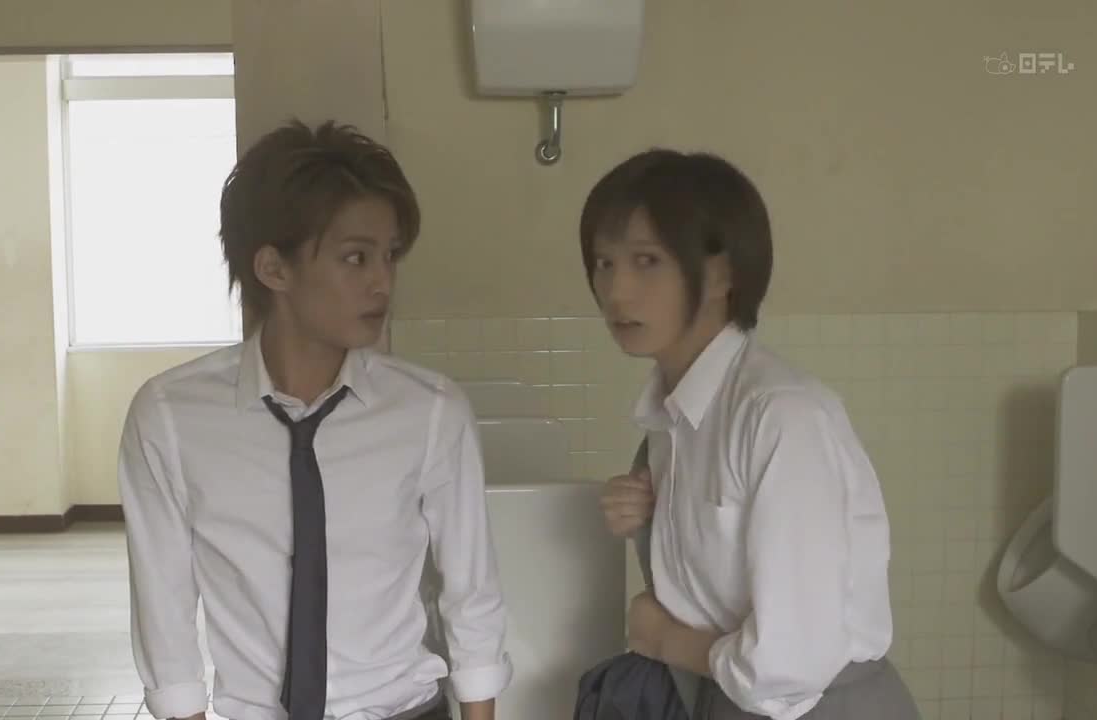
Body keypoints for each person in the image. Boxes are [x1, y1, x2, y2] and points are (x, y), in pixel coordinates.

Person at [117, 120, 512, 720]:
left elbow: (470, 592)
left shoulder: (430, 410)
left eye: (390, 255)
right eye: (356, 257)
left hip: (403, 709)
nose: (382, 281)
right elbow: (163, 609)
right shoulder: (170, 417)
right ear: (274, 269)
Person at [587, 149, 919, 720]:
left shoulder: (781, 416)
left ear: (721, 274)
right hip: (730, 699)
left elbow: (788, 667)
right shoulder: (673, 419)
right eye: (604, 262)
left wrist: (663, 638)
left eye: (646, 261)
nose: (616, 290)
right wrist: (648, 524)